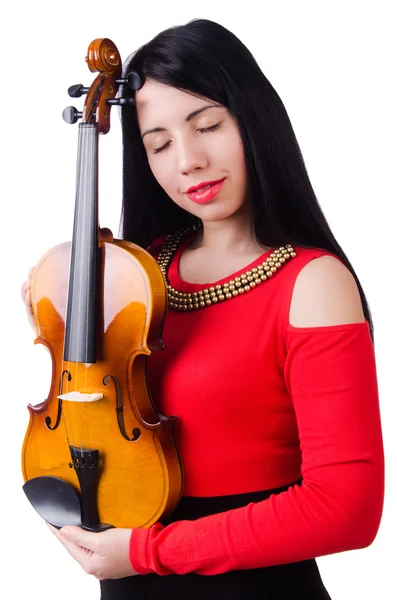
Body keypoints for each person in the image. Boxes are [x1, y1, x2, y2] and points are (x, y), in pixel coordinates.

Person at [20, 18, 384, 600]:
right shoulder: (138, 272)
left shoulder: (313, 283)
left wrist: (149, 552)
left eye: (208, 125)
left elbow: (346, 509)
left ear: (253, 119)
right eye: (159, 144)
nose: (187, 160)